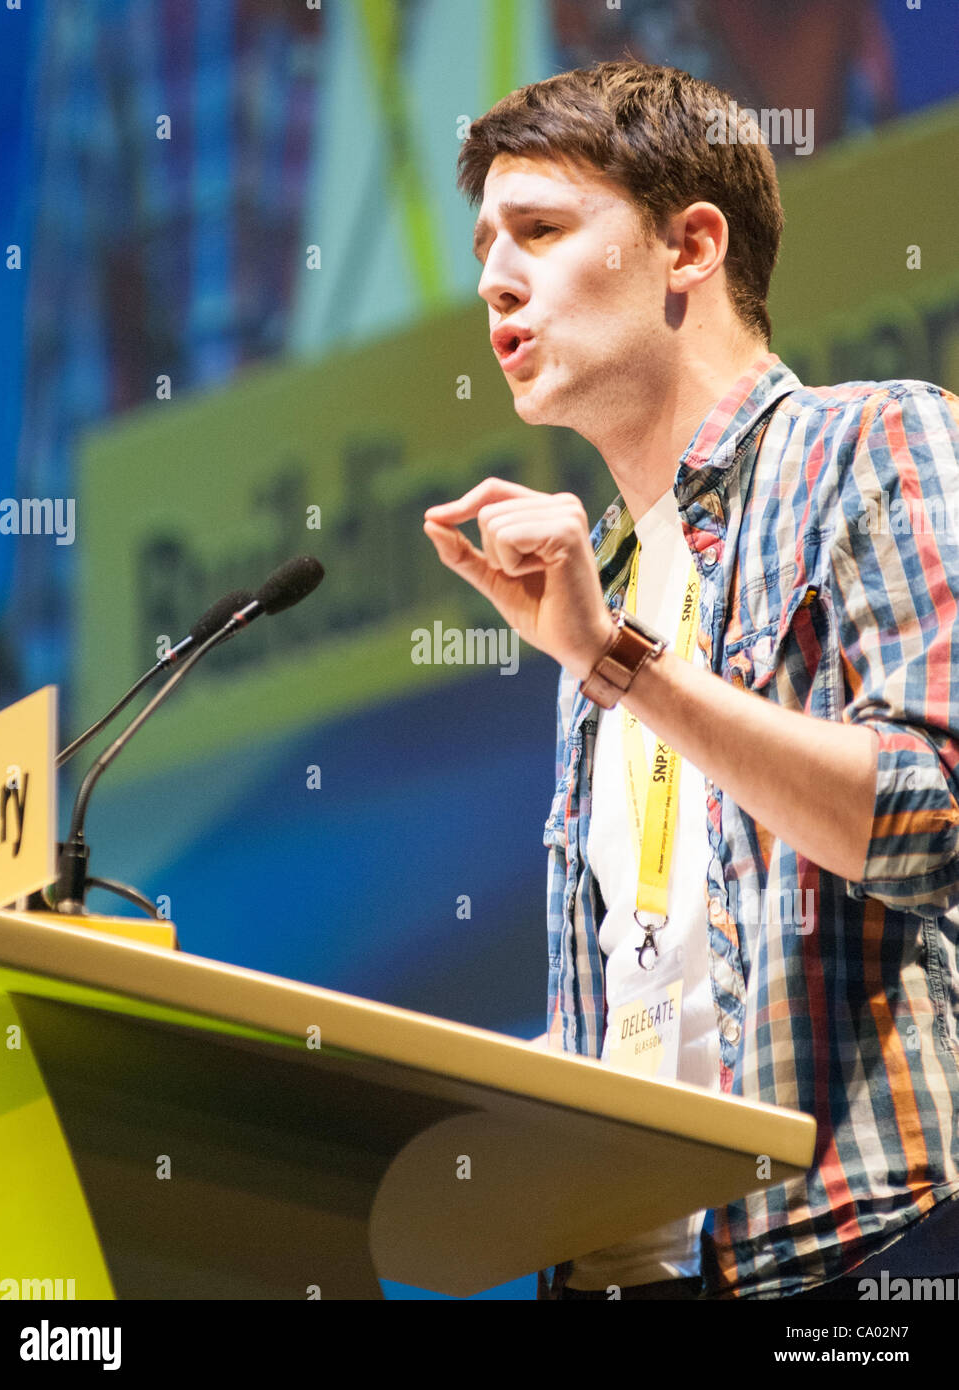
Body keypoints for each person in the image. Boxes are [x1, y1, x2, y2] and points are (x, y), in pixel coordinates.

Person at [423, 58, 959, 1300]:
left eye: (541, 231)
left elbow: (934, 815)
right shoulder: (605, 579)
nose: (495, 277)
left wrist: (619, 663)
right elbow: (645, 988)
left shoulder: (874, 441)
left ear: (689, 247)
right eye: (483, 246)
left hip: (848, 1260)